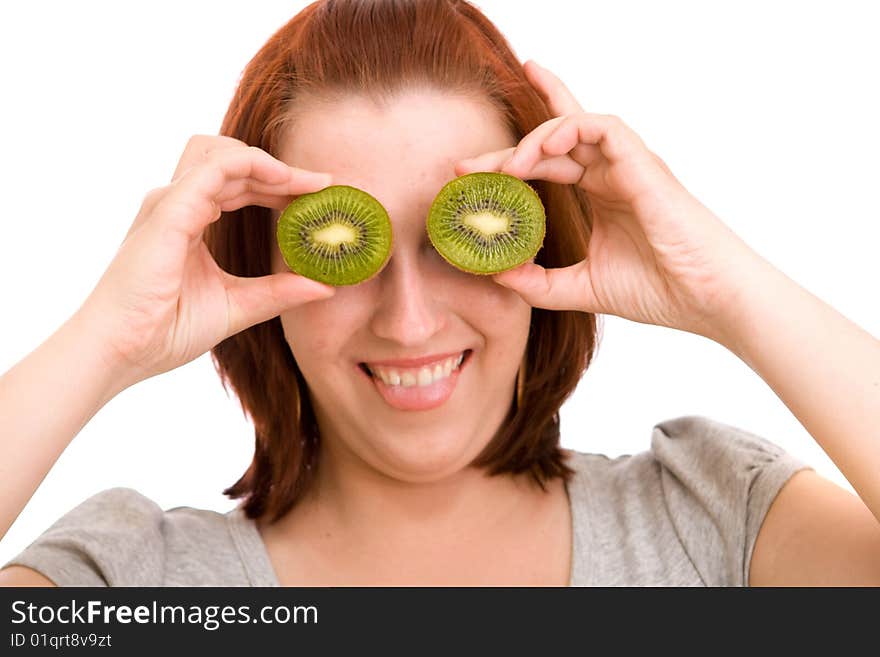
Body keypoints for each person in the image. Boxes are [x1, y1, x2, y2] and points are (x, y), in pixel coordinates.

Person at [1, 0, 879, 587]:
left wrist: (724, 285)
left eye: (458, 242)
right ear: (256, 266)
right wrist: (104, 341)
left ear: (535, 227)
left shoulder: (707, 520)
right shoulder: (139, 584)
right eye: (349, 252)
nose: (410, 318)